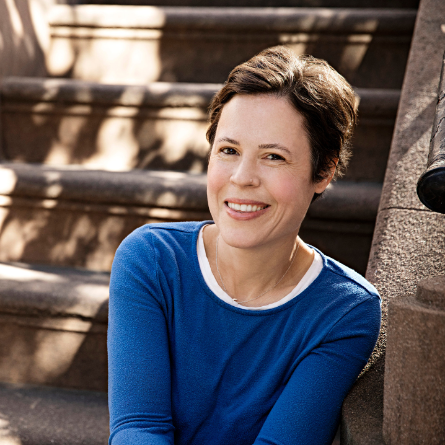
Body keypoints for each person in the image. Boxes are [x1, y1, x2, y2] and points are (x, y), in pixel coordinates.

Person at [107, 46, 381, 445]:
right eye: (229, 150)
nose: (242, 177)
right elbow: (138, 428)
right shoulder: (150, 260)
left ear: (323, 171)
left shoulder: (345, 311)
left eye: (273, 156)